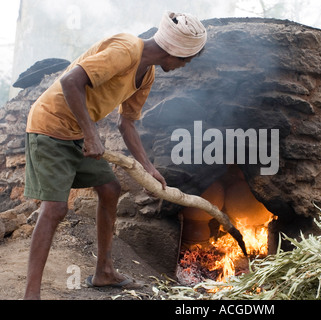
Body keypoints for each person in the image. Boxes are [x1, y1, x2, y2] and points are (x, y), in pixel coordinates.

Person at [23, 11, 207, 300]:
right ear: (177, 50)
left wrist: (148, 168)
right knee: (56, 209)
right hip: (51, 126)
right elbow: (71, 81)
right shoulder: (126, 49)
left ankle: (104, 272)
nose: (184, 65)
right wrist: (91, 133)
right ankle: (31, 294)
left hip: (76, 132)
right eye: (187, 59)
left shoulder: (147, 74)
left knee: (110, 189)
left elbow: (126, 123)